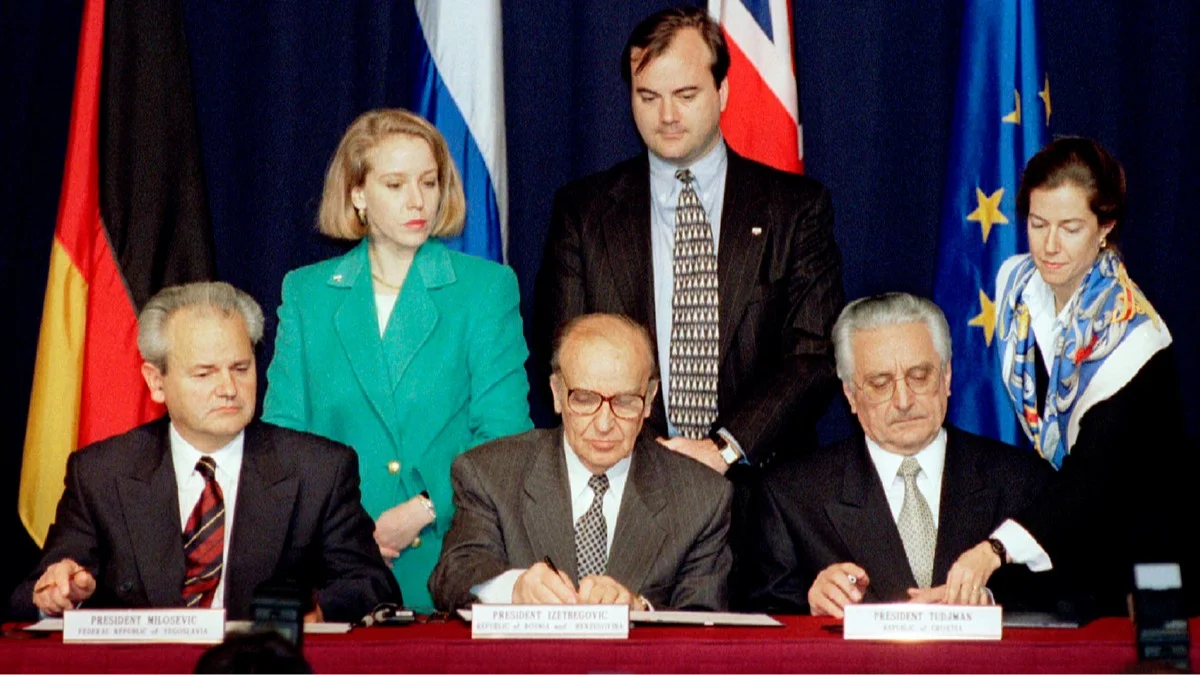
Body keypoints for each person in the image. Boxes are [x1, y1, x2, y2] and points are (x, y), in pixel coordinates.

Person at [532, 7, 842, 486]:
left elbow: (812, 354)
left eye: (686, 95)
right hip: (626, 484)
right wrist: (650, 458)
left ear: (723, 92)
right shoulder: (583, 212)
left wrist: (725, 448)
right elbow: (564, 352)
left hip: (763, 490)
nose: (667, 116)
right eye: (648, 97)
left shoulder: (795, 208)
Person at [263, 109, 532, 612]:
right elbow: (283, 441)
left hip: (446, 563)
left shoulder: (485, 289)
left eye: (429, 182)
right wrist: (349, 531)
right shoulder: (307, 293)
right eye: (395, 184)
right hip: (332, 573)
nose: (417, 201)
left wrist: (423, 510)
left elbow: (505, 438)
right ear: (357, 194)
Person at [11, 282, 398, 621]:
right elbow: (32, 594)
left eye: (241, 368)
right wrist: (56, 594)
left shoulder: (318, 470)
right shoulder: (102, 473)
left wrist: (317, 609)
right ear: (156, 382)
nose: (229, 388)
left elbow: (371, 584)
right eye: (204, 373)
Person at [942, 137, 1192, 615]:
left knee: (1154, 653)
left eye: (1071, 228)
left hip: (1155, 559)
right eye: (1038, 224)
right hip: (1076, 547)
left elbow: (1088, 480)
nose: (1050, 246)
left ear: (1105, 227)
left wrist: (992, 551)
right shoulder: (1016, 286)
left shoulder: (1134, 335)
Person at [745, 294, 1057, 617]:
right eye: (880, 384)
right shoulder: (792, 497)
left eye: (919, 376)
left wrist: (989, 605)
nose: (904, 401)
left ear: (947, 377)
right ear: (850, 395)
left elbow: (1065, 600)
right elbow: (764, 625)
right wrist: (810, 607)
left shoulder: (1023, 482)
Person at [430, 314, 732, 611]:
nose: (604, 424)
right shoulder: (490, 475)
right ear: (557, 394)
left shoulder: (701, 499)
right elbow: (453, 575)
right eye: (585, 399)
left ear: (649, 399)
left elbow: (704, 621)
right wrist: (514, 588)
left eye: (625, 402)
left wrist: (641, 609)